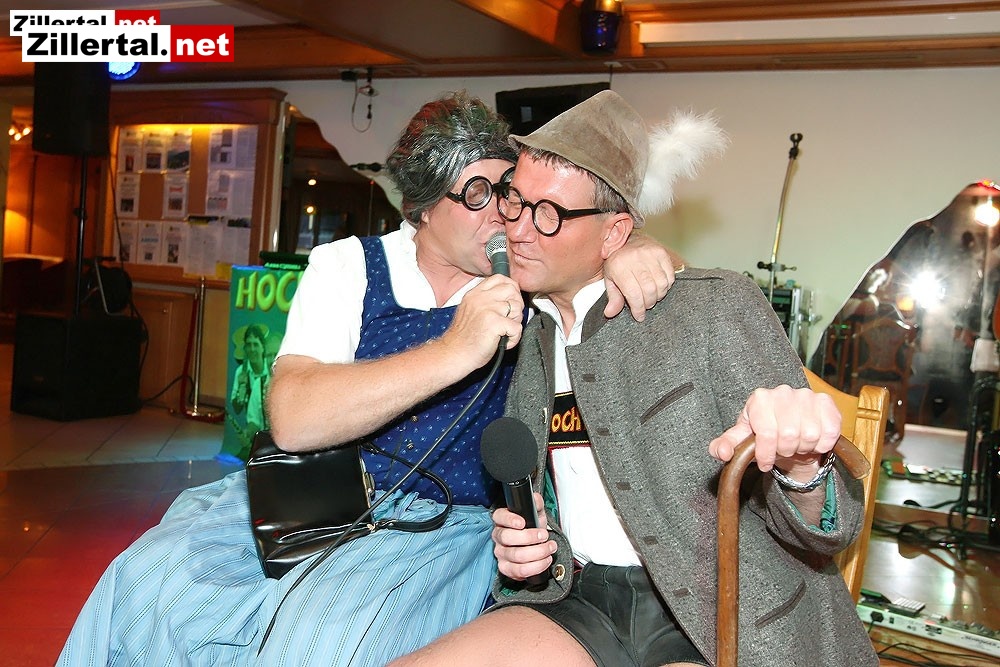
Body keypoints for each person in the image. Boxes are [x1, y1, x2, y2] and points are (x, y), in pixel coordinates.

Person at [57, 91, 680, 667]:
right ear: (423, 207)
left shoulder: (531, 275)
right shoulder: (350, 267)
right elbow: (293, 419)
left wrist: (634, 249)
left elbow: (631, 264)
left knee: (322, 640)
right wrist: (453, 349)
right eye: (477, 194)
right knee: (145, 587)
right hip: (310, 494)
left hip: (446, 526)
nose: (504, 217)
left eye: (508, 192)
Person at [390, 91, 877, 667]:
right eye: (515, 200)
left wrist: (802, 467)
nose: (518, 229)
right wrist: (527, 549)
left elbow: (832, 527)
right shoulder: (526, 334)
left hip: (718, 610)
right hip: (580, 600)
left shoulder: (714, 309)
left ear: (615, 233)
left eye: (549, 214)